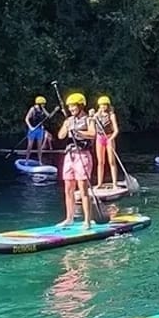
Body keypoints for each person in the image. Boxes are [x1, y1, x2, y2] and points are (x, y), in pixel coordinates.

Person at [57, 93, 98, 228]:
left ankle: (87, 220)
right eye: (69, 107)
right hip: (70, 155)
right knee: (68, 188)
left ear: (80, 106)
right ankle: (69, 218)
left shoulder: (88, 120)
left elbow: (92, 134)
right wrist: (66, 125)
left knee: (83, 188)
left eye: (73, 106)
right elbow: (61, 136)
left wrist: (78, 132)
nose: (71, 109)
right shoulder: (69, 120)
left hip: (83, 155)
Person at [93, 95, 119, 189]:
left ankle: (114, 184)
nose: (103, 107)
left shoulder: (111, 115)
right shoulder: (97, 115)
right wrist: (92, 116)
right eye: (101, 105)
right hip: (100, 138)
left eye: (105, 105)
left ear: (108, 105)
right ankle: (99, 183)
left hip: (109, 137)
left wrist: (111, 139)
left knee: (111, 161)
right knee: (100, 162)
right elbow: (91, 121)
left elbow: (116, 130)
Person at [24, 95, 52, 164]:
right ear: (39, 104)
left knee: (39, 146)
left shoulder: (42, 109)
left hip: (40, 130)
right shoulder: (32, 109)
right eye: (43, 104)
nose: (44, 105)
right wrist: (30, 127)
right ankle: (26, 160)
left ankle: (40, 161)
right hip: (33, 129)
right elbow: (26, 119)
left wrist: (44, 109)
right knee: (30, 145)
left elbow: (49, 116)